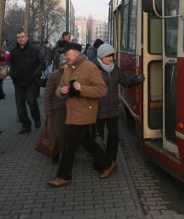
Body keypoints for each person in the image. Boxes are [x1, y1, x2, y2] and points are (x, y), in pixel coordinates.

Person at [47, 42, 114, 188]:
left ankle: (63, 176)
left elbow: (102, 90)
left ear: (76, 53)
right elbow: (59, 88)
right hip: (72, 113)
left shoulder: (90, 67)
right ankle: (108, 163)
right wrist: (62, 92)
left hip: (84, 113)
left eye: (67, 54)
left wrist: (82, 88)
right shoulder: (69, 68)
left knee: (69, 145)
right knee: (86, 141)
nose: (65, 56)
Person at [93, 43, 144, 167]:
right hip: (97, 110)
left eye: (111, 56)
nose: (110, 59)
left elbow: (124, 81)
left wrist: (135, 79)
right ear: (100, 57)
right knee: (98, 139)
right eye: (107, 56)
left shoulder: (114, 69)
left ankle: (111, 161)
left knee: (113, 138)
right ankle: (99, 162)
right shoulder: (93, 69)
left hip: (113, 109)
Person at [9, 29, 45, 134]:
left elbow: (42, 63)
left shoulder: (34, 49)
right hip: (18, 82)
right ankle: (26, 125)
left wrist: (34, 74)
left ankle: (36, 118)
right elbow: (10, 65)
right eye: (18, 37)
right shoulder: (14, 51)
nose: (20, 39)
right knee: (19, 106)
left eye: (22, 37)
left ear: (26, 37)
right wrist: (12, 75)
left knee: (31, 102)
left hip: (31, 82)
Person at [43, 50, 67, 163]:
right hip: (56, 110)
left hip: (69, 110)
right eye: (64, 64)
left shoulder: (73, 75)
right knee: (57, 135)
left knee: (66, 134)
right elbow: (47, 94)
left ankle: (64, 154)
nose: (66, 66)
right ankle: (56, 153)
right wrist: (47, 109)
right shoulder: (54, 75)